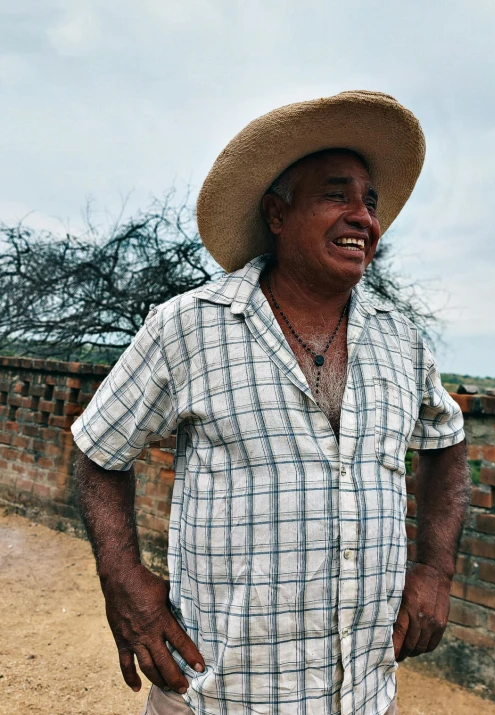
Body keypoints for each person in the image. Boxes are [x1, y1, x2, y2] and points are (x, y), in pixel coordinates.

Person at [72, 90, 470, 715]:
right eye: (336, 194)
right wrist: (125, 584)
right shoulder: (191, 326)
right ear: (277, 214)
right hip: (223, 695)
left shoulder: (400, 338)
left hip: (363, 697)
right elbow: (98, 452)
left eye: (370, 202)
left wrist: (436, 569)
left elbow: (446, 445)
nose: (363, 216)